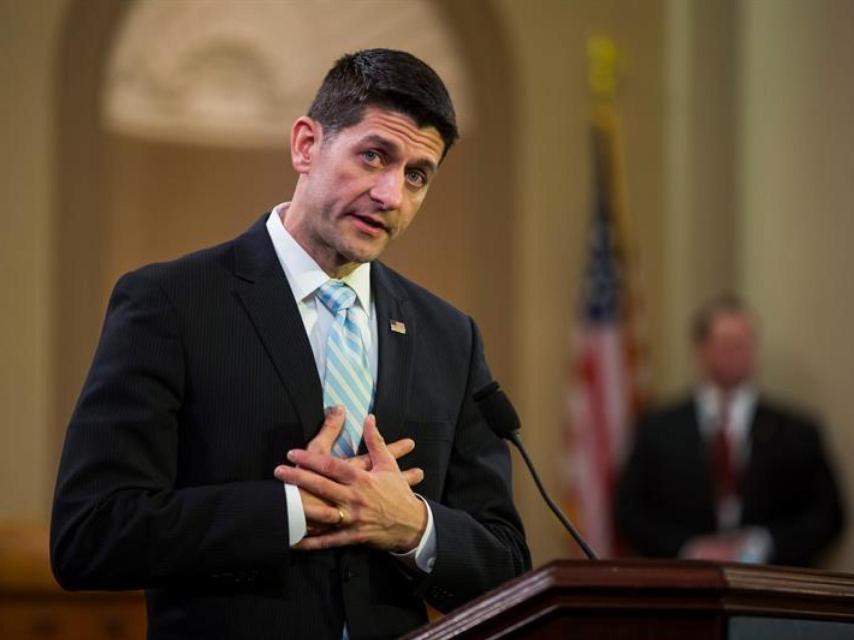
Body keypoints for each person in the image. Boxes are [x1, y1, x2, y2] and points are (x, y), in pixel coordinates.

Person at [50, 49, 530, 639]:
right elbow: (89, 534)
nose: (391, 195)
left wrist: (414, 527)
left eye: (417, 175)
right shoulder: (170, 303)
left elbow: (508, 566)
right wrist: (290, 512)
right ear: (306, 145)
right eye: (374, 155)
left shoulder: (448, 336)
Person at [615, 295, 845, 566]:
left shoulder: (798, 432)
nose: (736, 353)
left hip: (773, 589)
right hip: (681, 591)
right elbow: (629, 512)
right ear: (700, 350)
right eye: (725, 343)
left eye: (744, 343)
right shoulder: (657, 428)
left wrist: (762, 544)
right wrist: (690, 548)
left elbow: (828, 515)